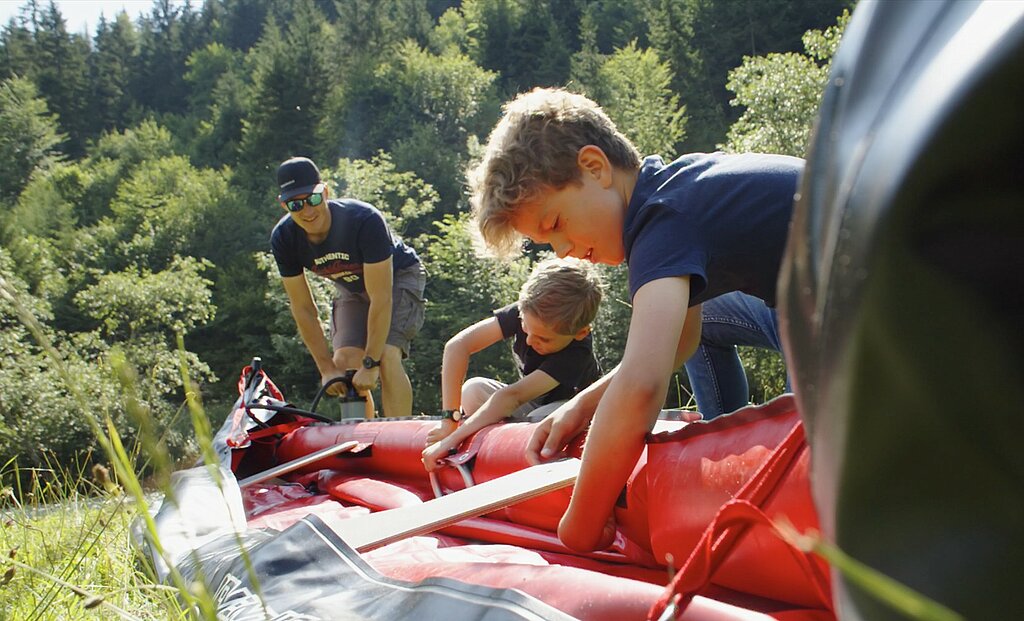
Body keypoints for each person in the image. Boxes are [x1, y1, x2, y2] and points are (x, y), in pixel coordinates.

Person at [467, 87, 802, 552]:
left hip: (877, 295)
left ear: (594, 167)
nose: (561, 250)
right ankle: (723, 430)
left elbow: (643, 385)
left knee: (808, 466)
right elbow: (679, 345)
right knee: (704, 323)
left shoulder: (661, 224)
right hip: (838, 288)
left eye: (556, 223)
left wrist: (579, 523)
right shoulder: (670, 191)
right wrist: (580, 405)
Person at [270, 156, 426, 418]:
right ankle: (364, 443)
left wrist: (370, 362)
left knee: (386, 356)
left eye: (313, 199)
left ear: (326, 192)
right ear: (284, 206)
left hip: (398, 277)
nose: (307, 211)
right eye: (296, 205)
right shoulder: (284, 238)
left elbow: (381, 298)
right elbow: (303, 309)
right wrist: (326, 369)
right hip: (352, 287)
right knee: (343, 365)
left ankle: (398, 433)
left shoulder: (364, 220)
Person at [421, 257, 603, 472]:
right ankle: (492, 440)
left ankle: (507, 447)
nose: (529, 341)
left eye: (543, 339)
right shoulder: (529, 311)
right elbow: (457, 346)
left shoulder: (576, 353)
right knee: (473, 390)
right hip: (530, 404)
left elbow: (512, 397)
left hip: (569, 411)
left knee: (540, 419)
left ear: (580, 333)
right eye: (526, 328)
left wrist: (450, 441)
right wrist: (449, 422)